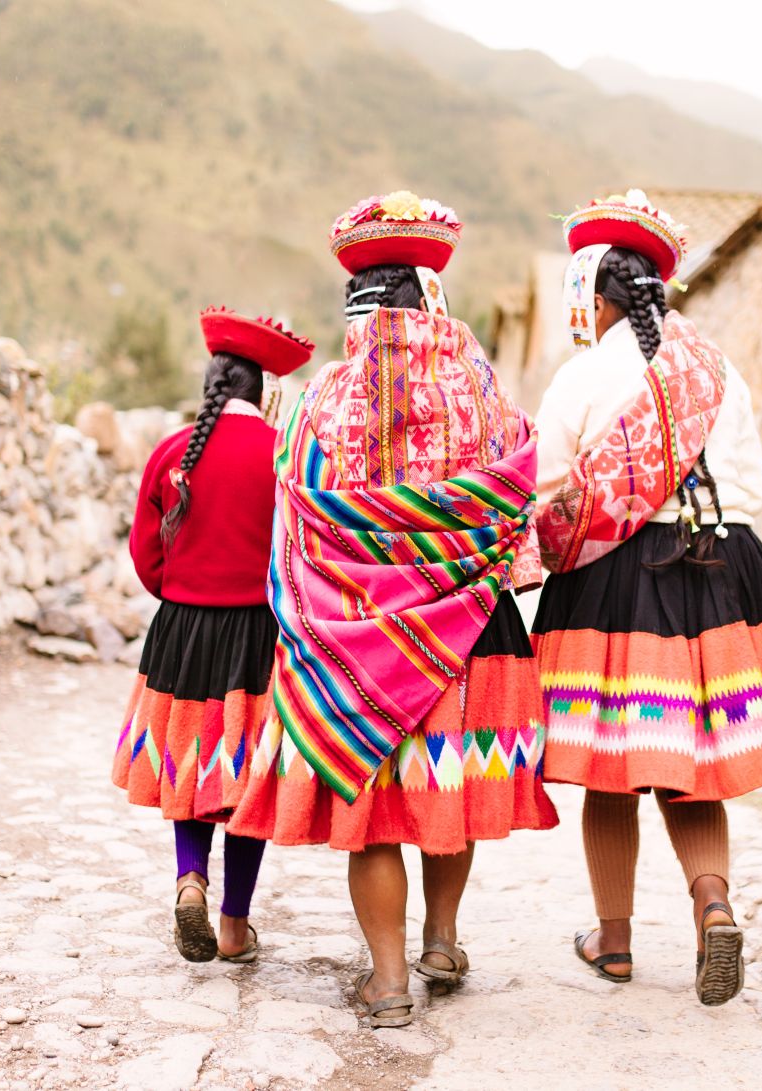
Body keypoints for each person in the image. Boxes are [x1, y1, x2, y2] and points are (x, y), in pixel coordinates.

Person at [230, 191, 557, 1028]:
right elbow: (519, 493)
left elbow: (295, 512)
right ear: (430, 295)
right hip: (475, 628)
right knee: (450, 786)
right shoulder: (485, 392)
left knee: (374, 806)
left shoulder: (321, 399)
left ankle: (387, 979)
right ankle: (442, 937)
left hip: (356, 636)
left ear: (357, 305)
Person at [532, 191, 762, 1006]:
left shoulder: (583, 375)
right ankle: (712, 906)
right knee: (696, 768)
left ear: (598, 297)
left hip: (615, 581)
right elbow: (751, 484)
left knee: (611, 769)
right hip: (722, 571)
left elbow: (546, 492)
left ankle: (612, 943)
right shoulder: (719, 369)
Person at [112, 306, 314, 964]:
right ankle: (233, 925)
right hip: (259, 634)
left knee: (190, 762)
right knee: (244, 775)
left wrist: (183, 596)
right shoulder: (285, 454)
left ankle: (190, 878)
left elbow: (146, 555)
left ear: (210, 388)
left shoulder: (172, 452)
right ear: (262, 393)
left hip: (181, 632)